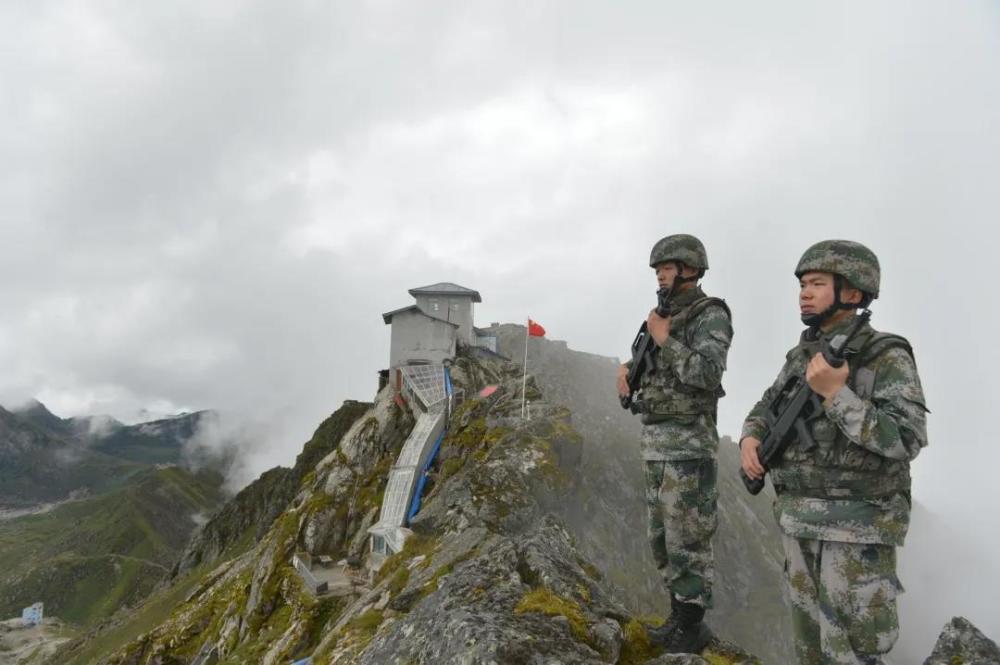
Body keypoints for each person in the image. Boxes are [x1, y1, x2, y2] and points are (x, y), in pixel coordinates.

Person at [739, 240, 928, 665]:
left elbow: (906, 438)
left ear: (853, 293)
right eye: (803, 284)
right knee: (809, 651)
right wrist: (751, 437)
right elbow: (765, 408)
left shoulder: (886, 355)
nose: (804, 292)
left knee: (852, 654)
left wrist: (836, 395)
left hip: (855, 530)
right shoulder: (801, 355)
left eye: (817, 283)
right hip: (799, 521)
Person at [617, 233, 733, 653]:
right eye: (657, 269)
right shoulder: (660, 316)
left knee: (689, 539)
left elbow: (707, 372)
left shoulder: (710, 314)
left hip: (688, 445)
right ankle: (677, 617)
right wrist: (628, 371)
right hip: (655, 440)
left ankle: (692, 627)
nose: (660, 275)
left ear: (690, 270)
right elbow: (651, 365)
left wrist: (665, 338)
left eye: (667, 267)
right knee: (661, 539)